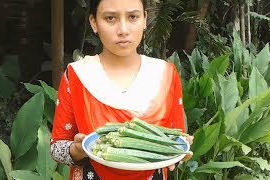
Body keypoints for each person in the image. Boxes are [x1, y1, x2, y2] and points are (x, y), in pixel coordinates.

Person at [50, 0, 193, 179]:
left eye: (133, 17)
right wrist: (77, 149)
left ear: (145, 20)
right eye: (110, 18)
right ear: (94, 22)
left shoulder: (165, 74)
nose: (123, 30)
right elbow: (57, 148)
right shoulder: (77, 75)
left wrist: (179, 153)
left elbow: (173, 140)